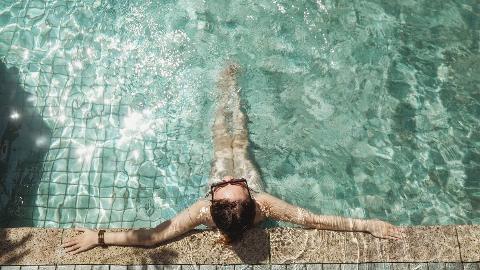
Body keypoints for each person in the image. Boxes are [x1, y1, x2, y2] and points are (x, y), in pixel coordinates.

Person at [62, 63, 403, 255]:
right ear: (249, 197)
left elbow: (154, 237)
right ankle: (232, 90)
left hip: (221, 160)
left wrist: (100, 236)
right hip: (243, 159)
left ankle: (224, 89)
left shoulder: (202, 212)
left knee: (220, 137)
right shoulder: (263, 204)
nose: (229, 178)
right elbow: (313, 219)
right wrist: (366, 225)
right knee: (239, 138)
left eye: (225, 186)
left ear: (211, 201)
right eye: (233, 184)